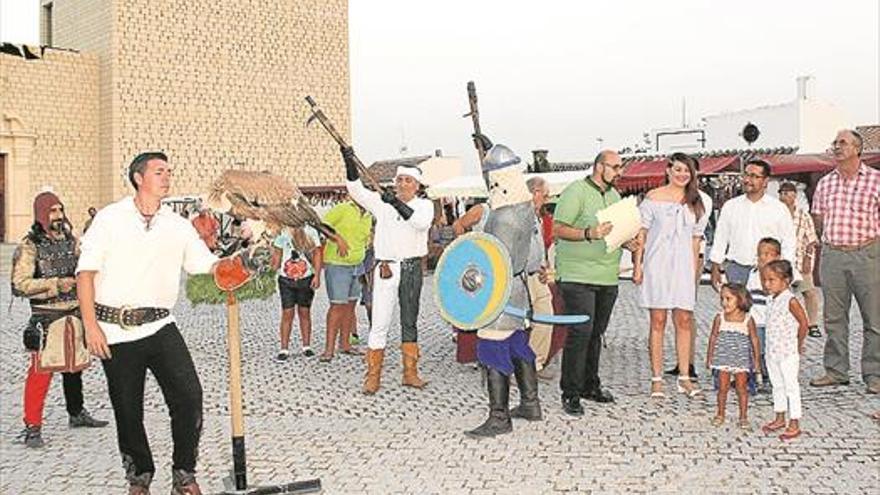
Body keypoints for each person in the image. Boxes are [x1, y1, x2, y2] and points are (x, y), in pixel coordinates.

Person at [77, 152, 222, 495]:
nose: (167, 177)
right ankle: (139, 477)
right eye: (159, 171)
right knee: (128, 410)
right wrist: (91, 325)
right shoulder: (110, 219)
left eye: (169, 171)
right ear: (139, 178)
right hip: (115, 329)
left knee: (189, 397)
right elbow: (85, 274)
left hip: (160, 326)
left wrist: (235, 266)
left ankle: (184, 475)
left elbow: (204, 263)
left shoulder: (176, 224)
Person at [12, 192, 108, 448]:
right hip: (47, 318)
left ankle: (76, 413)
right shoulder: (30, 246)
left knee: (74, 367)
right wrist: (56, 283)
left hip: (74, 314)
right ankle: (32, 426)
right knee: (40, 372)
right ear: (42, 214)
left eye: (60, 210)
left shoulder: (71, 241)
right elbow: (19, 284)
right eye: (53, 211)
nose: (58, 216)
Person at [464, 143, 543, 438]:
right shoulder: (525, 209)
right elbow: (535, 255)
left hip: (500, 293)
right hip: (520, 289)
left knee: (491, 346)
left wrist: (469, 282)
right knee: (518, 343)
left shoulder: (501, 217)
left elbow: (492, 263)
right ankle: (530, 404)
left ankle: (499, 418)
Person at [342, 147, 433, 394]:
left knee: (409, 321)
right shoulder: (381, 203)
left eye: (408, 180)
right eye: (400, 180)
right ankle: (373, 375)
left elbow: (419, 222)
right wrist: (348, 161)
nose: (403, 184)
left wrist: (395, 203)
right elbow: (356, 190)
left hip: (412, 268)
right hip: (386, 269)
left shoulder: (425, 206)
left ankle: (410, 372)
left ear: (417, 185)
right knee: (379, 321)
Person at [554, 149, 639, 415]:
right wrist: (589, 233)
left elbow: (614, 234)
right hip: (577, 275)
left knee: (595, 333)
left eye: (621, 167)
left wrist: (628, 242)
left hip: (606, 276)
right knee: (580, 333)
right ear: (599, 167)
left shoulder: (614, 196)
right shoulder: (575, 191)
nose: (620, 172)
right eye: (615, 167)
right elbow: (557, 229)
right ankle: (570, 392)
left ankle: (590, 385)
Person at [809, 129, 880, 394]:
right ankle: (836, 371)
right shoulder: (826, 183)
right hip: (833, 255)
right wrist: (830, 243)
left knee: (874, 318)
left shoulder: (875, 180)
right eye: (835, 142)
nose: (837, 147)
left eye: (843, 143)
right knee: (834, 317)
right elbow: (818, 218)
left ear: (858, 148)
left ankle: (874, 374)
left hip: (868, 254)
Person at [633, 153, 706, 398]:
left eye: (687, 171)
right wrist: (638, 266)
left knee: (684, 320)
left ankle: (684, 376)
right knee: (658, 320)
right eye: (678, 170)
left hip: (683, 268)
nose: (682, 175)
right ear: (668, 170)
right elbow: (641, 235)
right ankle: (656, 378)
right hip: (658, 266)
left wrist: (694, 272)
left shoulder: (696, 201)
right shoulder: (652, 199)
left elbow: (696, 239)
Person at [709, 159, 796, 288]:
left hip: (768, 271)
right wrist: (715, 266)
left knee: (765, 307)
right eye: (746, 175)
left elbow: (789, 241)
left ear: (765, 181)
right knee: (736, 307)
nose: (748, 180)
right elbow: (721, 238)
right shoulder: (731, 206)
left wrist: (785, 271)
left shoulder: (778, 209)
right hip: (735, 270)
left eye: (754, 176)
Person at [760, 260, 808, 440]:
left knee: (791, 386)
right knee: (777, 385)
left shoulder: (791, 300)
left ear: (786, 280)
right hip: (773, 351)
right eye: (765, 280)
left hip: (788, 351)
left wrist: (798, 342)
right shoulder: (770, 299)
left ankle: (794, 420)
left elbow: (803, 322)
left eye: (772, 280)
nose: (767, 284)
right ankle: (780, 416)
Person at [320, 196, 372, 362]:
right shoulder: (343, 208)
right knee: (337, 306)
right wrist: (337, 238)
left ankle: (345, 345)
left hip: (358, 265)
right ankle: (328, 350)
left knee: (350, 306)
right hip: (337, 264)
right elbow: (320, 225)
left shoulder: (369, 215)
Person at [705, 283, 760, 429]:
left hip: (741, 360)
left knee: (742, 388)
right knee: (722, 388)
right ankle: (720, 413)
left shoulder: (748, 319)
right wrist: (710, 357)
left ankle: (743, 416)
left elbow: (754, 340)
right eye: (722, 299)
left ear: (740, 299)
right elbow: (713, 337)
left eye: (728, 299)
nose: (724, 303)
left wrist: (756, 360)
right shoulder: (719, 318)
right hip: (722, 358)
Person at [271, 226, 322, 361]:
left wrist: (317, 275)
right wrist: (271, 271)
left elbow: (317, 253)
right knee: (287, 312)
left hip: (306, 277)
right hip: (286, 279)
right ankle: (284, 348)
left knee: (304, 312)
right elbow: (277, 253)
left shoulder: (311, 231)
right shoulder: (282, 231)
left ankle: (306, 346)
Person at [777, 182, 821, 338]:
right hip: (780, 262)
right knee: (782, 294)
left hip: (800, 260)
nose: (783, 196)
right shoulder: (775, 214)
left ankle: (813, 324)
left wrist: (808, 259)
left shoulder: (803, 215)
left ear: (794, 195)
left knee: (809, 292)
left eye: (787, 193)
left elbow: (811, 240)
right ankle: (785, 323)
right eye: (781, 193)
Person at [524, 176, 555, 375]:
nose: (547, 199)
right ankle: (520, 368)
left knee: (545, 317)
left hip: (538, 274)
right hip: (523, 276)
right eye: (545, 195)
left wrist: (545, 266)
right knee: (518, 323)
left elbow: (539, 247)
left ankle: (535, 362)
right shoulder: (519, 216)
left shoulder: (538, 217)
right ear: (536, 193)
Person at [747, 237, 782, 392]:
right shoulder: (753, 273)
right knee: (757, 350)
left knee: (772, 351)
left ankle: (772, 377)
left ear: (777, 257)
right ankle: (758, 376)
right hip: (757, 319)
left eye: (768, 254)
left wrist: (766, 273)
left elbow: (769, 291)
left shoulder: (779, 277)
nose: (764, 257)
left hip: (773, 322)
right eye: (761, 254)